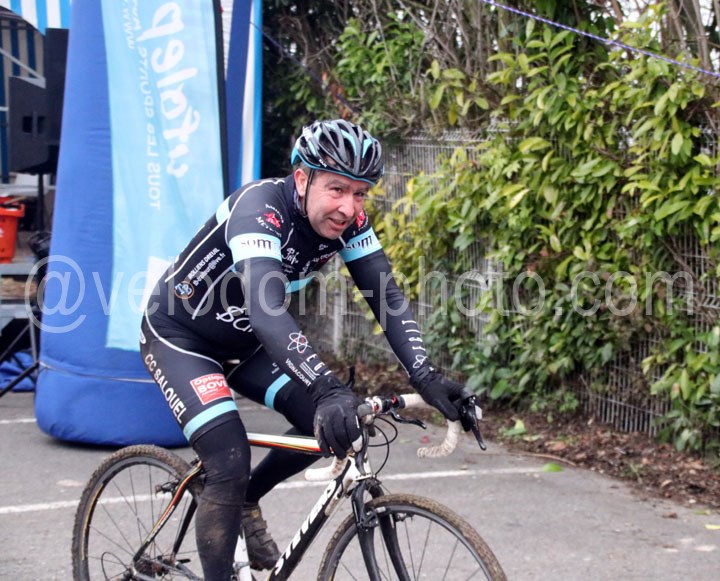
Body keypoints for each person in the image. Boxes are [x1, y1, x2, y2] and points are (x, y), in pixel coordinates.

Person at [140, 119, 470, 580]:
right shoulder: (259, 209)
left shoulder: (349, 223)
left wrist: (427, 377)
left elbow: (386, 298)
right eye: (337, 189)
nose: (348, 207)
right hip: (182, 338)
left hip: (247, 344)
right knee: (229, 458)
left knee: (332, 422)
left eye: (360, 194)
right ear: (302, 178)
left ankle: (245, 500)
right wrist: (326, 386)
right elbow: (267, 311)